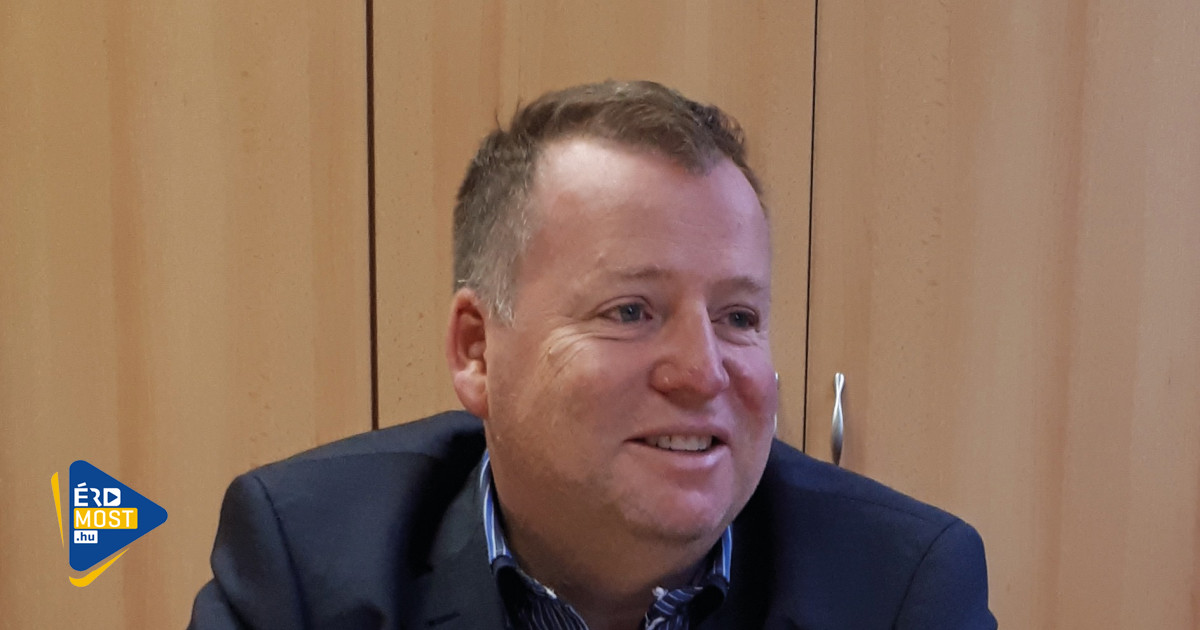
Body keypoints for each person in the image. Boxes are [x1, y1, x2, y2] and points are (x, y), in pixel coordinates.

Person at [189, 80, 996, 629]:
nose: (704, 371)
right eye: (631, 311)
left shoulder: (902, 589)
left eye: (738, 316)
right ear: (477, 350)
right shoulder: (307, 562)